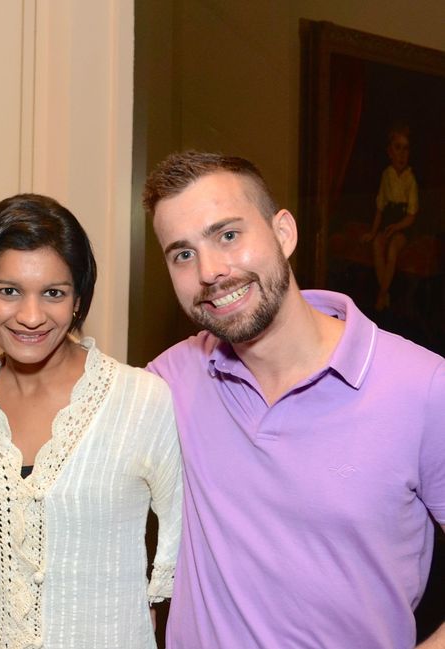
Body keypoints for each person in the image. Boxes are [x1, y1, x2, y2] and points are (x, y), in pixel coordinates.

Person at [142, 150, 445, 648]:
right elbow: (63, 402)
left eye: (228, 235)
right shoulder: (173, 378)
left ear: (284, 232)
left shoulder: (421, 386)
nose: (210, 270)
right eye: (183, 254)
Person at [0, 194, 182, 648]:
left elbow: (184, 535)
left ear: (77, 299)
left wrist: (152, 605)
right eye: (8, 290)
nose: (31, 317)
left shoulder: (141, 400)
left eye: (53, 293)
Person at [362, 123, 420, 311]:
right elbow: (380, 208)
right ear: (390, 152)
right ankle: (385, 292)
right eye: (398, 148)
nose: (402, 154)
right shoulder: (386, 175)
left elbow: (411, 215)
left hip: (403, 225)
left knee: (393, 248)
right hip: (388, 223)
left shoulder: (410, 179)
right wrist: (373, 231)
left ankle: (381, 295)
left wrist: (396, 227)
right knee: (378, 244)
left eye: (405, 149)